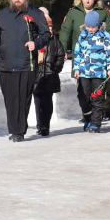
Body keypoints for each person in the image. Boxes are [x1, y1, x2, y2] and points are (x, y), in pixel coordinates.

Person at [0, 0, 51, 142]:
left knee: (22, 99)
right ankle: (14, 129)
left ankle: (18, 131)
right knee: (10, 99)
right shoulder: (2, 15)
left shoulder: (35, 14)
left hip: (26, 65)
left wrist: (35, 43)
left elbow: (46, 35)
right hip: (6, 66)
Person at [59, 0, 110, 123]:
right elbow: (65, 32)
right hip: (81, 60)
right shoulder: (73, 13)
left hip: (99, 62)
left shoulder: (102, 13)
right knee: (82, 92)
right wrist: (62, 50)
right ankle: (87, 113)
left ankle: (96, 116)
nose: (88, 0)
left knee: (97, 91)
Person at [73, 11, 110, 133]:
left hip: (99, 73)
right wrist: (76, 68)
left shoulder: (104, 36)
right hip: (84, 72)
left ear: (98, 25)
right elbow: (77, 53)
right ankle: (88, 118)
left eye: (93, 27)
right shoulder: (82, 36)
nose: (91, 29)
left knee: (97, 97)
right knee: (83, 96)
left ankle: (96, 123)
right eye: (88, 26)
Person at [33, 7, 66, 137]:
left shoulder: (55, 42)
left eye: (50, 27)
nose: (49, 29)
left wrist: (56, 68)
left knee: (47, 101)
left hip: (50, 75)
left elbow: (60, 55)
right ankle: (39, 123)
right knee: (37, 101)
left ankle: (45, 125)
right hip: (37, 75)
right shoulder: (36, 41)